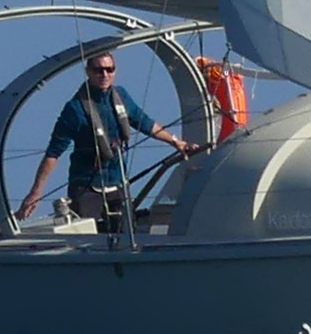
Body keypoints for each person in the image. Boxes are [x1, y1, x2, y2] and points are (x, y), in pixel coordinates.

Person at [15, 46, 200, 226]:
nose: (104, 75)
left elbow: (146, 123)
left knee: (126, 230)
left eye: (109, 69)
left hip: (117, 183)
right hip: (87, 188)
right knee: (88, 234)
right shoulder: (74, 109)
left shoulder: (121, 96)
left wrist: (177, 143)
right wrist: (36, 192)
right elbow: (53, 154)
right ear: (88, 71)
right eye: (98, 70)